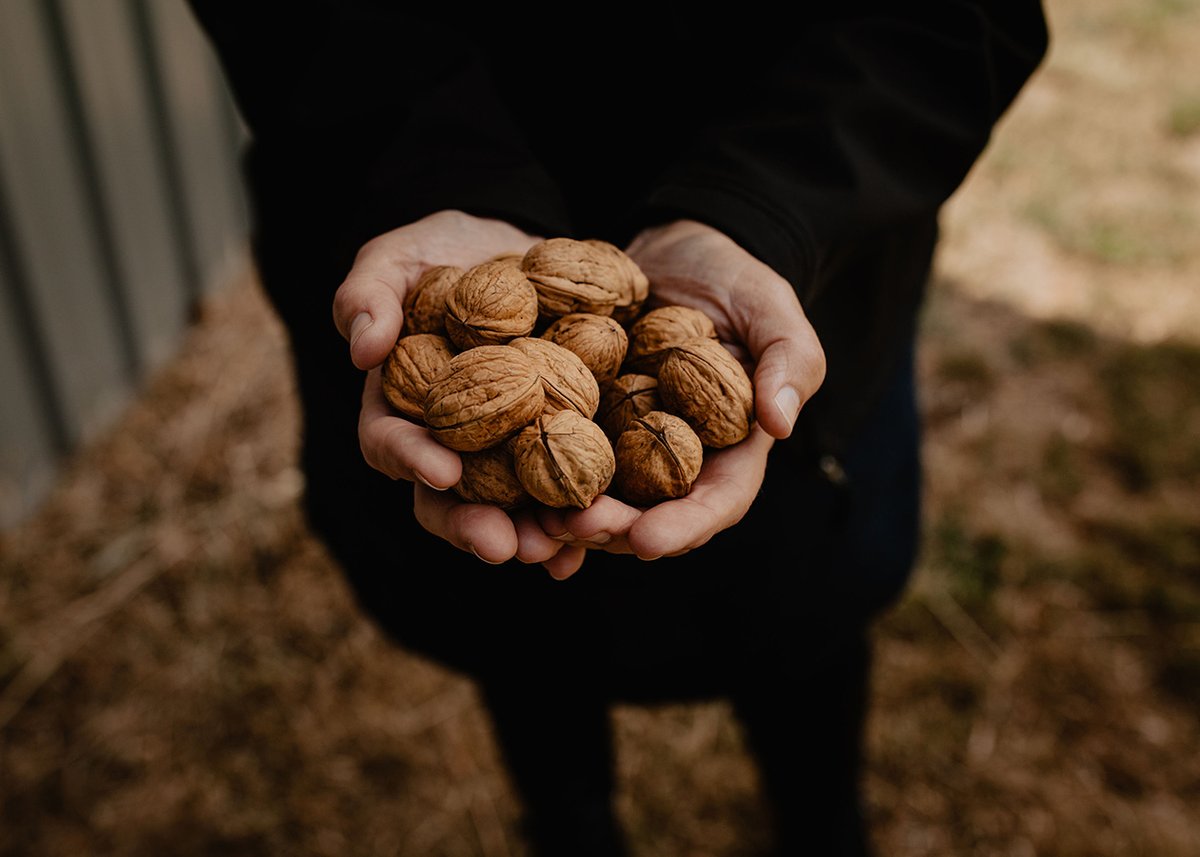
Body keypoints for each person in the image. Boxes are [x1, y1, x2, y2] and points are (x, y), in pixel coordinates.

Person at [187, 4, 1050, 854]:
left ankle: (824, 823)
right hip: (416, 204)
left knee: (803, 626)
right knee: (512, 622)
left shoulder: (663, 349)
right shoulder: (491, 347)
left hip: (803, 258)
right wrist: (433, 172)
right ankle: (570, 826)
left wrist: (762, 207)